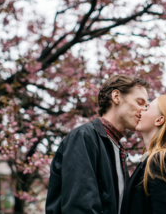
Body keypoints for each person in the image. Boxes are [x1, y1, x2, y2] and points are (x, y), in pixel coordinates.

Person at [45, 75, 150, 214]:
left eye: (146, 106)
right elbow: (80, 207)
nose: (144, 111)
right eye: (139, 102)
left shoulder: (118, 149)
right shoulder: (84, 137)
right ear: (116, 96)